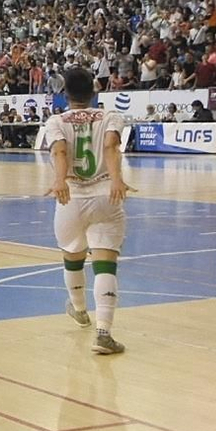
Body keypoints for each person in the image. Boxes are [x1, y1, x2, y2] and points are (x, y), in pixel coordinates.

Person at [42, 66, 131, 356]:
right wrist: (117, 178)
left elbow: (59, 151)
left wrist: (58, 180)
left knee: (73, 255)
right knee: (106, 261)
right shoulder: (111, 116)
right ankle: (104, 332)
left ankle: (79, 310)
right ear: (95, 91)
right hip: (106, 193)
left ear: (64, 93)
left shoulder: (56, 120)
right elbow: (111, 146)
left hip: (72, 196)